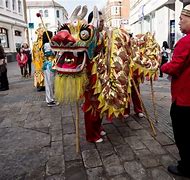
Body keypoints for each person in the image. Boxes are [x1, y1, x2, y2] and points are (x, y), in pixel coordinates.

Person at [161, 4, 190, 178]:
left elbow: (175, 66)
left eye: (181, 18)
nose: (178, 22)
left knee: (183, 135)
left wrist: (162, 65)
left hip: (184, 99)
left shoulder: (186, 41)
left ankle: (186, 167)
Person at [82, 11, 106, 143]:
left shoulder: (101, 35)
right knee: (91, 104)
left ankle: (98, 127)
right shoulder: (88, 36)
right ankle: (91, 134)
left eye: (103, 21)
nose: (103, 24)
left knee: (100, 102)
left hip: (101, 73)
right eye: (101, 21)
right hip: (90, 75)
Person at [42, 31, 57, 107]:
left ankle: (52, 99)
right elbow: (53, 53)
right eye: (52, 35)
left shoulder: (49, 44)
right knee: (49, 83)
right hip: (49, 65)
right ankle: (49, 100)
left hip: (51, 64)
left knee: (51, 83)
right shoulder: (47, 44)